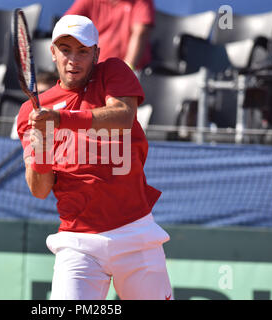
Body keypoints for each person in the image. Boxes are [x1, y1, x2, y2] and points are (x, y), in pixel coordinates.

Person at [17, 15, 172, 300]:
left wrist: (61, 119)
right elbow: (39, 190)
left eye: (83, 51)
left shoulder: (113, 72)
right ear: (52, 52)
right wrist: (41, 145)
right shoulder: (30, 113)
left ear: (96, 54)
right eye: (65, 50)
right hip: (78, 244)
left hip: (135, 232)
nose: (73, 59)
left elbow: (123, 117)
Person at [65, 0, 155, 72]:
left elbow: (140, 33)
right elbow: (67, 26)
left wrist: (127, 69)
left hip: (134, 72)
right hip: (94, 69)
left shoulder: (142, 1)